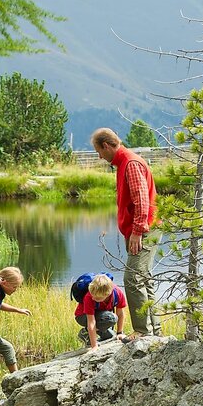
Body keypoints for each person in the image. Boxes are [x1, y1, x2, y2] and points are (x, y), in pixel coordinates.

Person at [91, 127, 161, 338]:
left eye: (99, 151)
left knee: (132, 280)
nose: (99, 156)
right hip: (144, 229)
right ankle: (153, 330)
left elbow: (142, 201)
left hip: (145, 230)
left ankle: (142, 331)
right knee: (143, 279)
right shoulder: (124, 163)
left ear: (106, 145)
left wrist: (138, 231)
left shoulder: (130, 163)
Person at [74, 273, 127, 350]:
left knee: (111, 336)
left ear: (108, 294)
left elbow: (120, 314)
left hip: (101, 316)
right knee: (111, 318)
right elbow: (91, 322)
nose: (93, 298)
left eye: (97, 298)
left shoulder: (118, 293)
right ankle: (86, 332)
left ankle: (87, 333)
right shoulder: (89, 297)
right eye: (92, 295)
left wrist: (120, 333)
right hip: (82, 316)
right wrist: (94, 346)